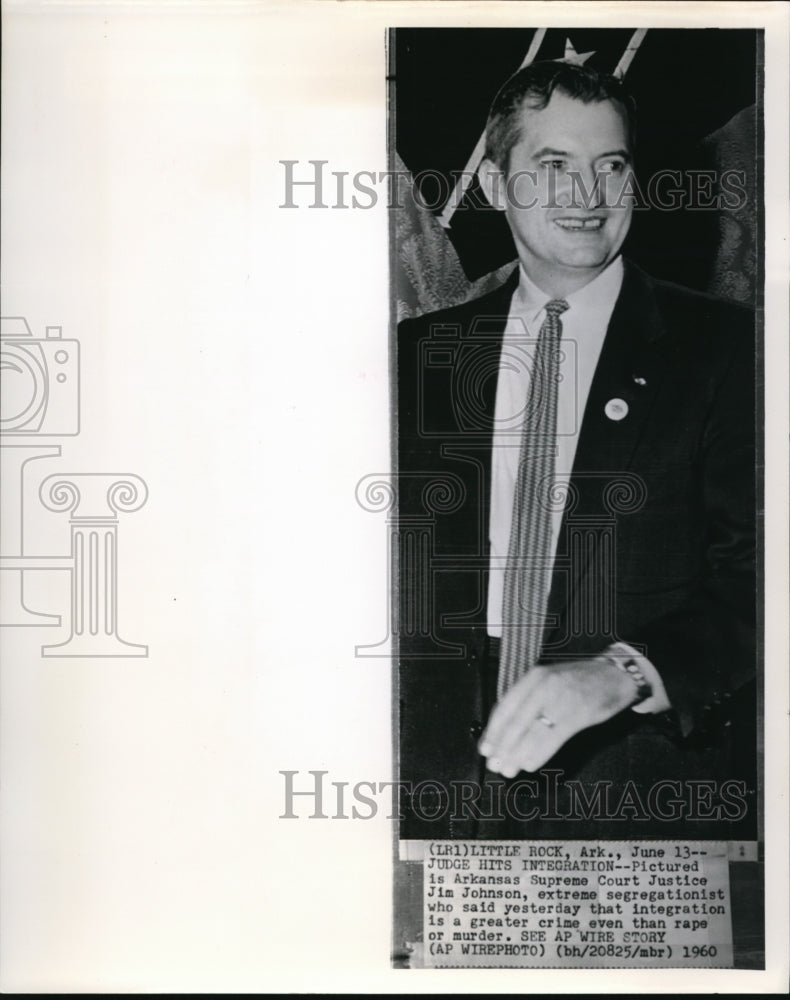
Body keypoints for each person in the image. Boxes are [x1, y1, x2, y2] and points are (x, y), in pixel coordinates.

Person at [396, 60, 757, 839]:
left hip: (640, 788)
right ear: (496, 187)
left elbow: (764, 579)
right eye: (553, 167)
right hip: (437, 786)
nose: (588, 197)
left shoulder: (731, 351)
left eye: (611, 166)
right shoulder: (418, 355)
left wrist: (625, 674)